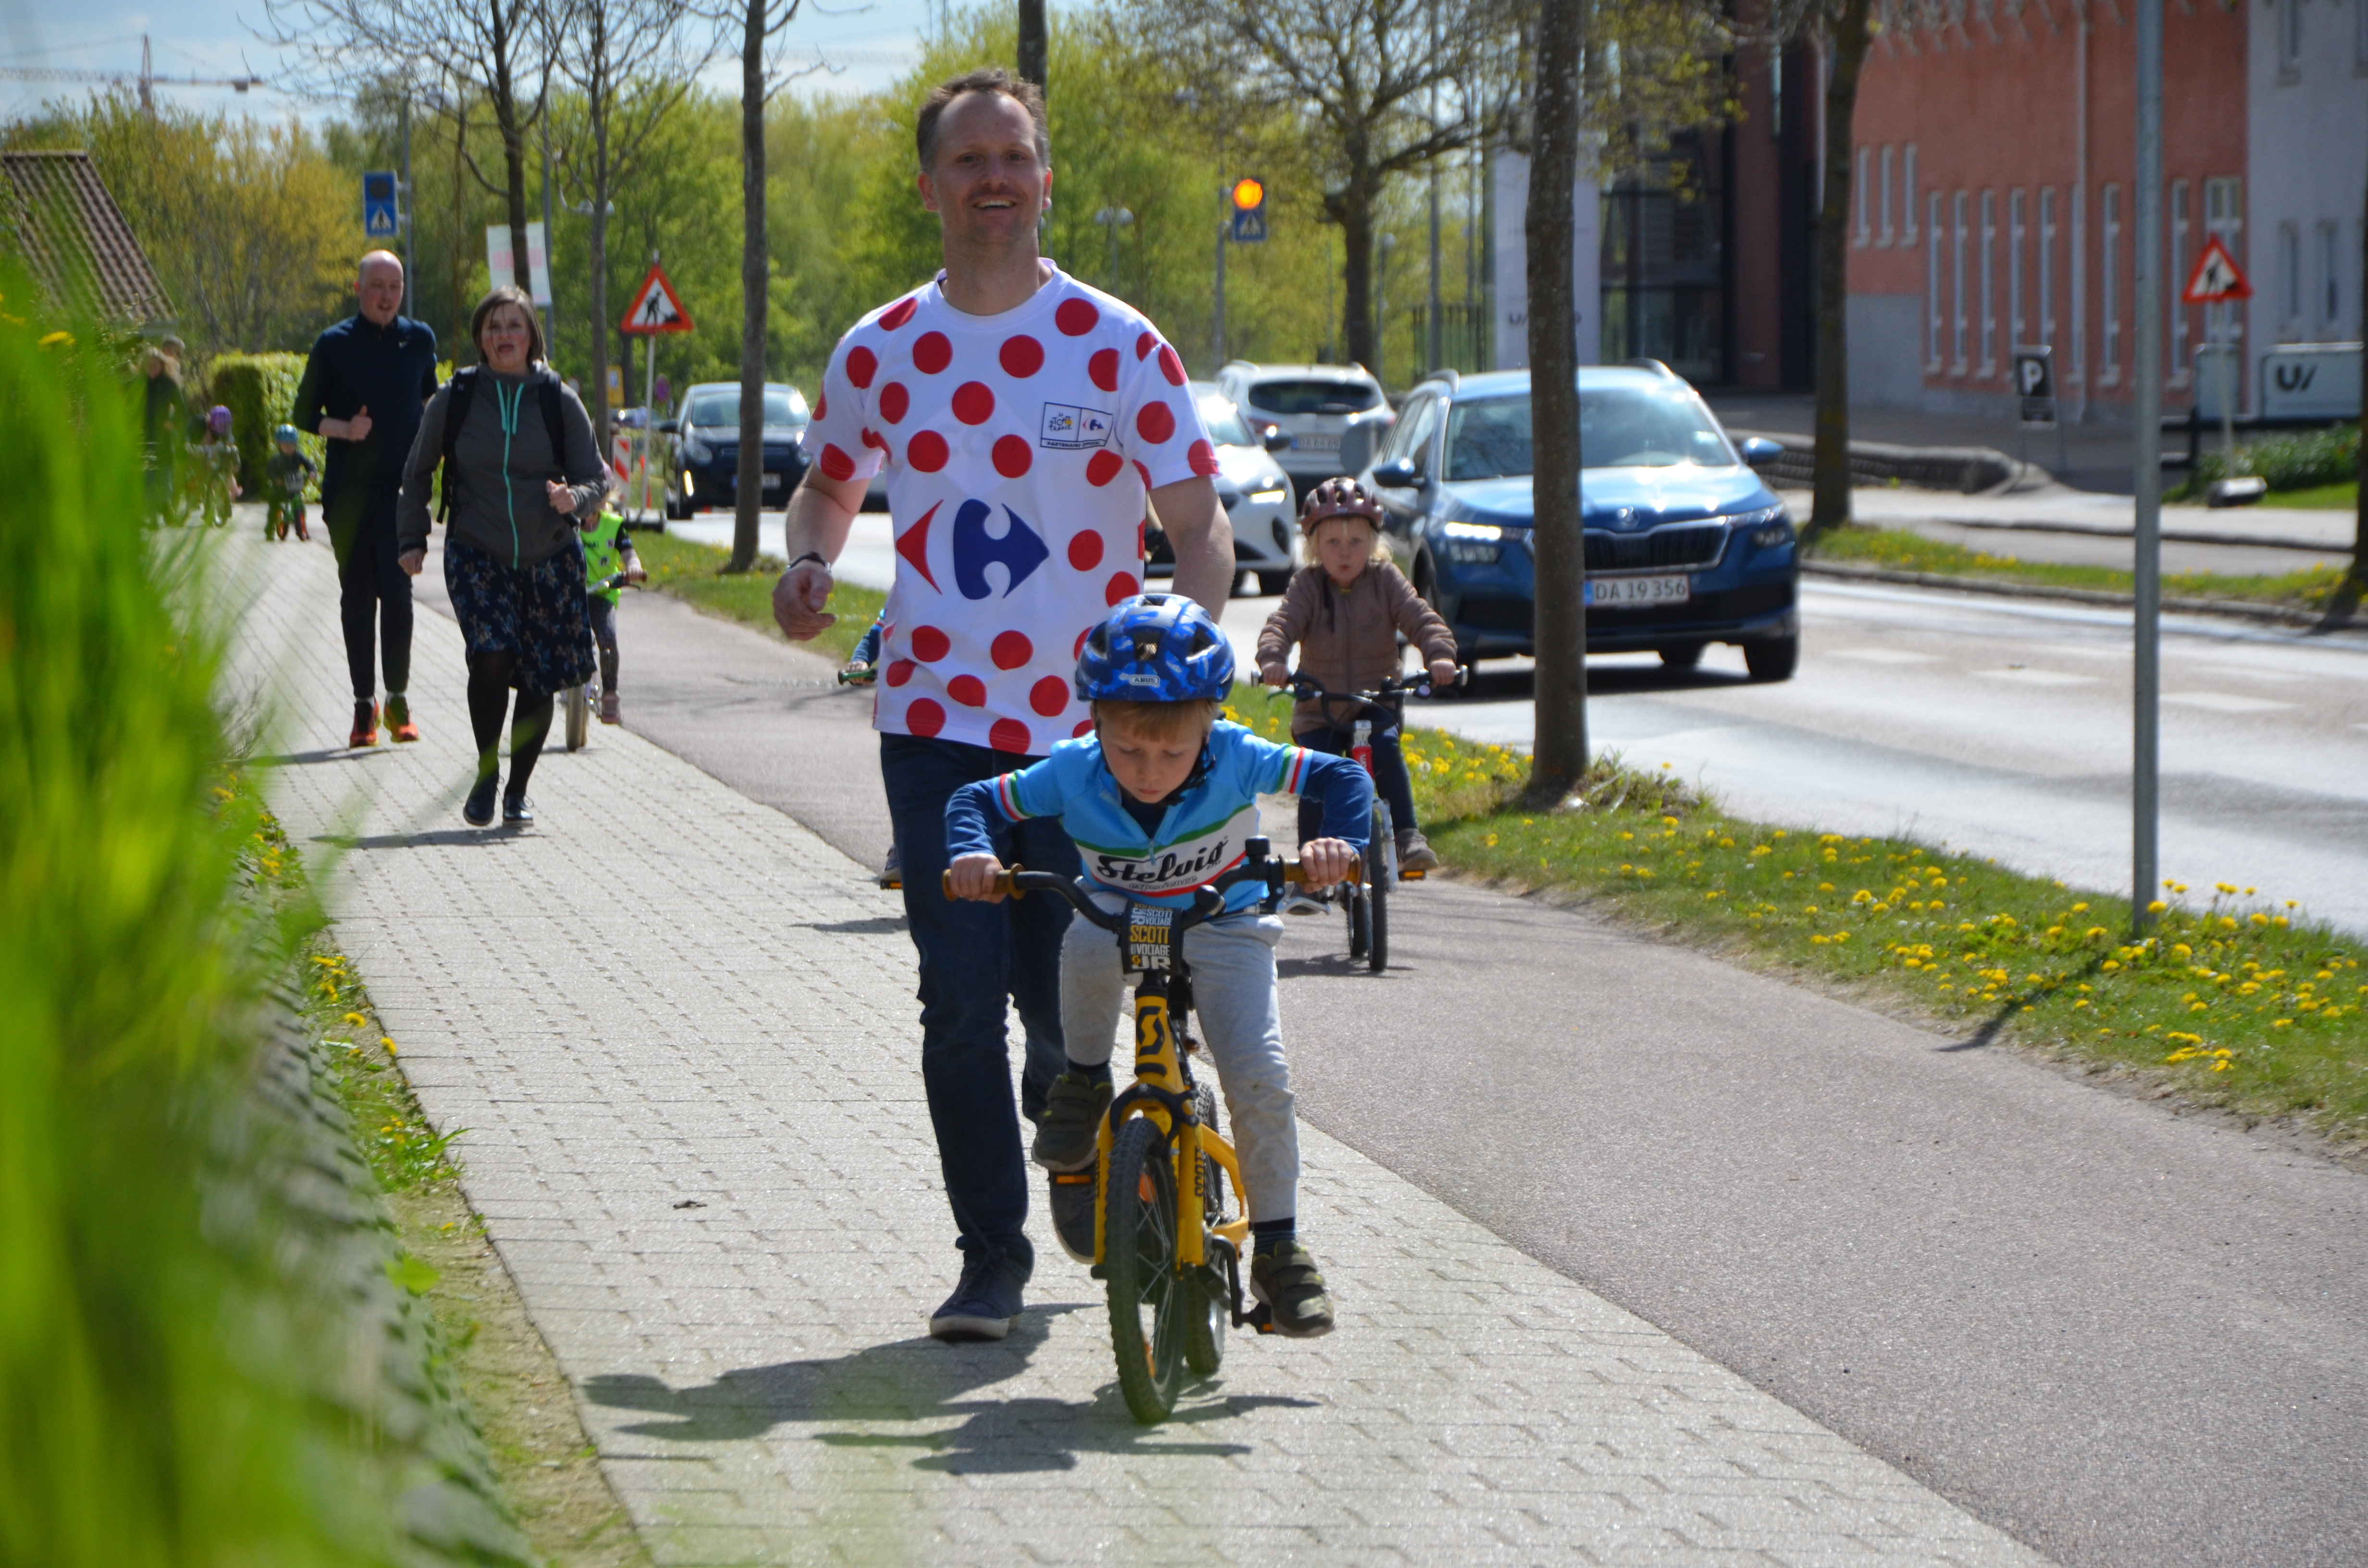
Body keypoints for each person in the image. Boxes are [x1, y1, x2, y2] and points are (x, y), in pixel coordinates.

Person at [769, 67, 1234, 1342]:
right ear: (930, 188)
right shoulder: (881, 349)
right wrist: (808, 558)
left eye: (1012, 157)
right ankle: (991, 1260)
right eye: (967, 160)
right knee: (958, 998)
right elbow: (827, 488)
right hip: (938, 731)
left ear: (1044, 178)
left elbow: (1200, 531)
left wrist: (1184, 663)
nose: (992, 180)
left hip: (1094, 742)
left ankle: (1075, 1116)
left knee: (1058, 1000)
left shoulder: (1121, 343)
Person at [944, 595, 1368, 1337]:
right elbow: (977, 799)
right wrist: (973, 854)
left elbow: (1341, 779)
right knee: (1081, 940)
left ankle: (1278, 1249)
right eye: (1128, 749)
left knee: (1260, 1081)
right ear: (1096, 722)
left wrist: (1339, 843)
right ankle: (1082, 1081)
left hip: (1224, 923)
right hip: (1119, 916)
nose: (1149, 771)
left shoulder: (1240, 755)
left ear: (1209, 721)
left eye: (1172, 753)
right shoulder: (1074, 768)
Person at [395, 285, 607, 827]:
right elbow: (417, 472)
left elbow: (597, 475)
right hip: (477, 549)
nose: (503, 336)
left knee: (538, 677)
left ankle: (517, 790)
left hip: (550, 554)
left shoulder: (557, 399)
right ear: (480, 340)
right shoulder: (457, 396)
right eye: (492, 328)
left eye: (513, 326)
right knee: (489, 654)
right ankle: (487, 773)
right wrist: (412, 538)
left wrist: (574, 498)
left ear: (530, 334)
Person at [1256, 479, 1459, 878]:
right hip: (1321, 709)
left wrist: (1439, 654)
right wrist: (1273, 660)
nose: (1345, 552)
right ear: (1314, 547)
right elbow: (1281, 625)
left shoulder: (1386, 581)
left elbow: (1421, 618)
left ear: (1374, 542)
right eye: (1332, 543)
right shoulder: (1307, 587)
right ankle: (1311, 869)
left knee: (1386, 754)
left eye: (1355, 542)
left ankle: (1408, 837)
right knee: (1319, 775)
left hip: (1376, 702)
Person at [293, 251, 440, 748]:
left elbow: (429, 404)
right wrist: (346, 430)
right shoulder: (333, 344)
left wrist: (438, 454)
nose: (385, 296)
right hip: (350, 496)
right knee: (358, 598)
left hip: (402, 495)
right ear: (358, 289)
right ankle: (363, 706)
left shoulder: (419, 340)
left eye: (394, 287)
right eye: (376, 286)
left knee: (398, 596)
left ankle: (397, 700)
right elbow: (304, 414)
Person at [579, 478, 646, 723]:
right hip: (572, 592)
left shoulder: (614, 526)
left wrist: (634, 567)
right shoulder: (567, 524)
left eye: (595, 495)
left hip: (602, 592)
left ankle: (610, 693)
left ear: (604, 499)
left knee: (607, 637)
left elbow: (628, 552)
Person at [140, 339, 188, 523]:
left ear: (162, 366)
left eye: (156, 365)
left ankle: (165, 507)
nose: (153, 369)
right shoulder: (139, 385)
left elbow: (182, 410)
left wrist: (173, 422)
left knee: (164, 479)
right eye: (149, 365)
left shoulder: (169, 385)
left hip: (164, 440)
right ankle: (152, 516)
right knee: (148, 480)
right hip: (144, 439)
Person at [265, 424, 317, 541]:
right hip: (280, 489)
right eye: (286, 445)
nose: (289, 448)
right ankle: (269, 530)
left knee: (299, 505)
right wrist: (275, 479)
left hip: (294, 487)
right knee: (274, 507)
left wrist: (312, 472)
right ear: (279, 445)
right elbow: (269, 471)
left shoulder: (298, 456)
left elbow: (308, 464)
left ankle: (303, 530)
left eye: (292, 445)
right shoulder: (277, 459)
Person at [193, 405, 241, 528]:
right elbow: (203, 444)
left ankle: (228, 496)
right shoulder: (205, 427)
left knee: (227, 469)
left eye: (224, 427)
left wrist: (231, 449)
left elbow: (230, 442)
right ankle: (206, 505)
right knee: (205, 476)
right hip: (207, 455)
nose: (220, 429)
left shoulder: (226, 429)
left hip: (220, 457)